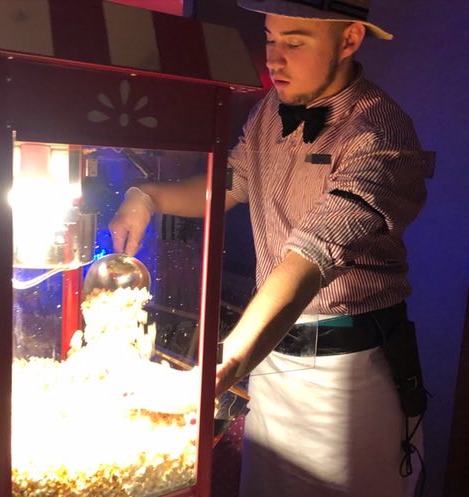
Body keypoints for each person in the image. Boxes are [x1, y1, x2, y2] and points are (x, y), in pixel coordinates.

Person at [109, 1, 432, 496]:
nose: (274, 60)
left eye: (295, 43)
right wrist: (146, 196)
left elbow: (313, 252)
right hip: (272, 365)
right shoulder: (268, 112)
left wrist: (225, 363)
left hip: (346, 380)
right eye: (270, 39)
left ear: (348, 40)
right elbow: (231, 184)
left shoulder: (380, 134)